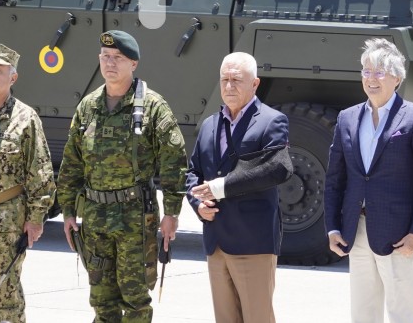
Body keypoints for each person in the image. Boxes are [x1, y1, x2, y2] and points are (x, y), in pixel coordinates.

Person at [57, 30, 188, 322]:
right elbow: (72, 163)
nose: (110, 63)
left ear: (134, 64)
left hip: (134, 218)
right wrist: (67, 210)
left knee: (135, 300)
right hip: (95, 217)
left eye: (118, 58)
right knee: (101, 300)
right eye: (105, 57)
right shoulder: (88, 107)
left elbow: (174, 162)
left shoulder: (153, 107)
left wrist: (172, 213)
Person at [324, 38, 413, 323]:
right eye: (366, 71)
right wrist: (332, 227)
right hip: (356, 230)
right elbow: (335, 178)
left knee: (403, 312)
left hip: (400, 235)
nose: (371, 79)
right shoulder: (347, 118)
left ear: (397, 78)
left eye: (379, 72)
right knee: (363, 312)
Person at [186, 52, 290, 323]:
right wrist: (198, 205)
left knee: (257, 318)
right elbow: (193, 173)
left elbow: (276, 169)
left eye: (236, 80)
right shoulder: (210, 124)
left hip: (253, 242)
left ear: (255, 84)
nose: (229, 86)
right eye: (225, 79)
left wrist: (221, 188)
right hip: (216, 243)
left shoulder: (271, 121)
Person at [0, 43, 55, 323]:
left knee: (6, 295)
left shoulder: (25, 118)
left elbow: (40, 172)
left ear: (13, 77)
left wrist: (36, 219)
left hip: (7, 221)